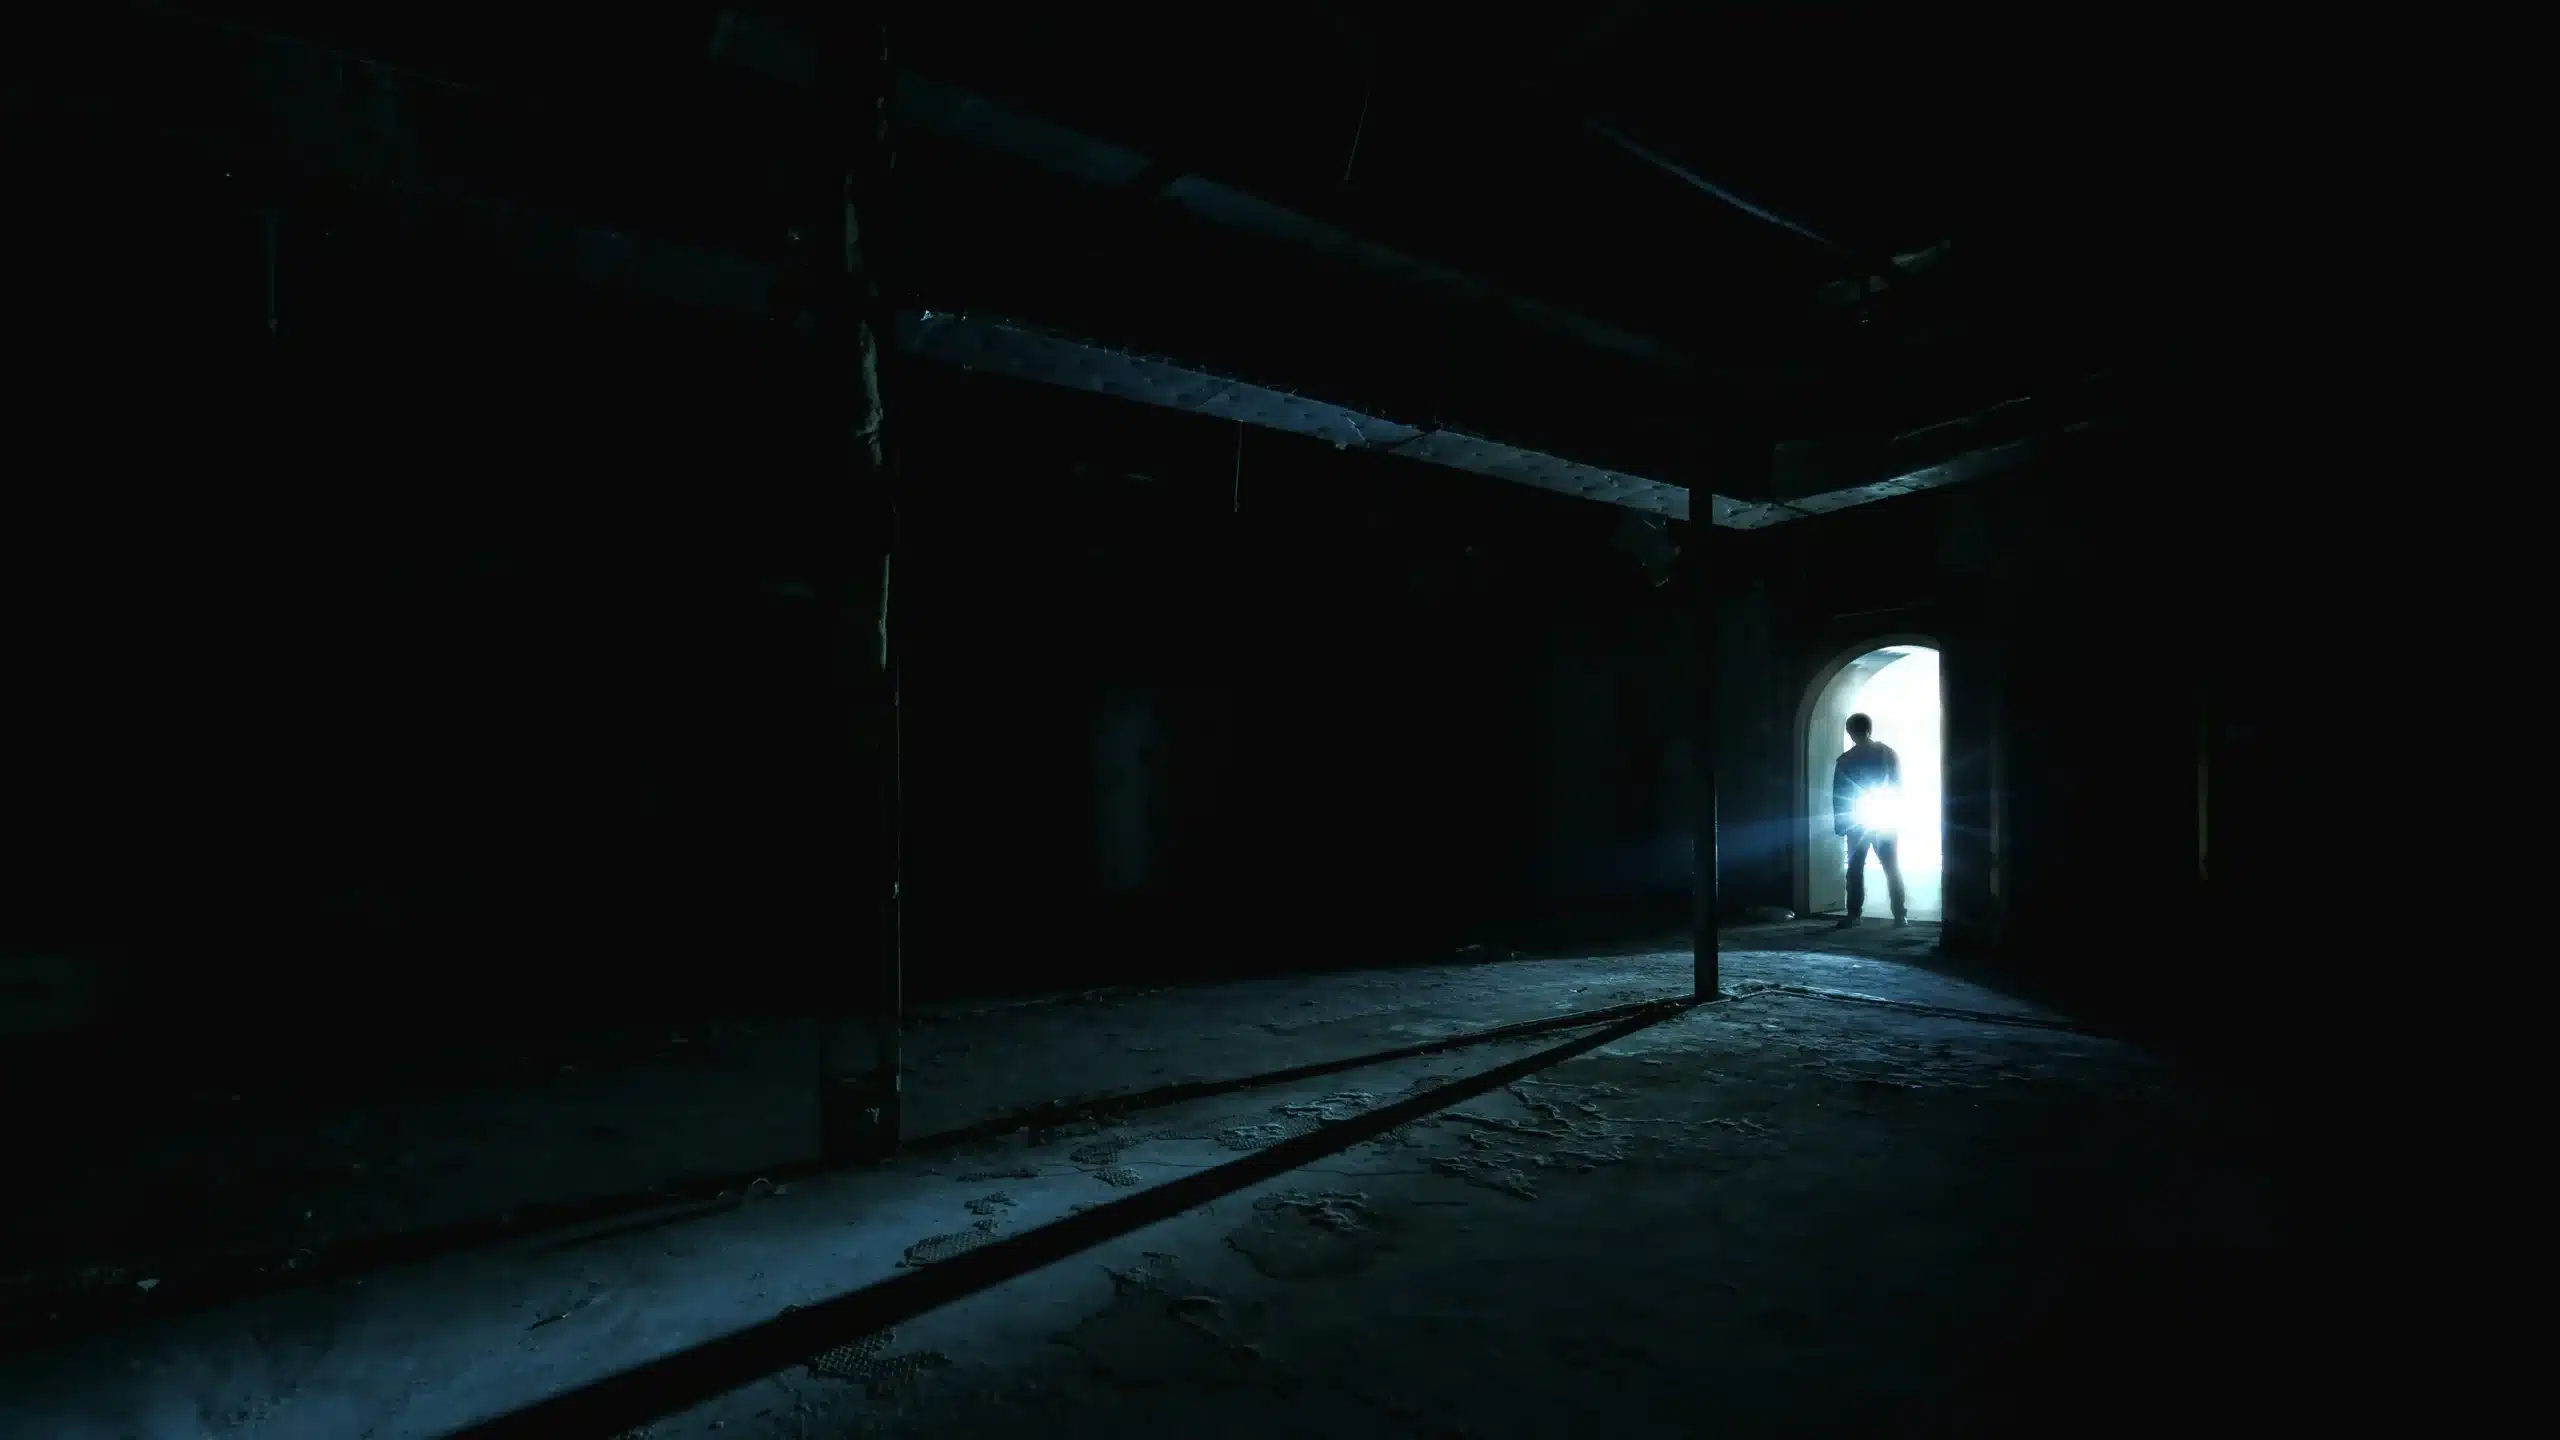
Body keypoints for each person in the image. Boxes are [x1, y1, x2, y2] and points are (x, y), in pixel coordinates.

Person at [1831, 712, 1908, 927]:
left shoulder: (1846, 760)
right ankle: (1900, 914)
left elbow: (1839, 794)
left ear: (1850, 732)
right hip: (1883, 818)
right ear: (1869, 729)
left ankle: (1854, 914)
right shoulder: (1887, 754)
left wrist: (1840, 823)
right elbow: (1897, 786)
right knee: (1891, 866)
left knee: (1855, 869)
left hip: (1857, 820)